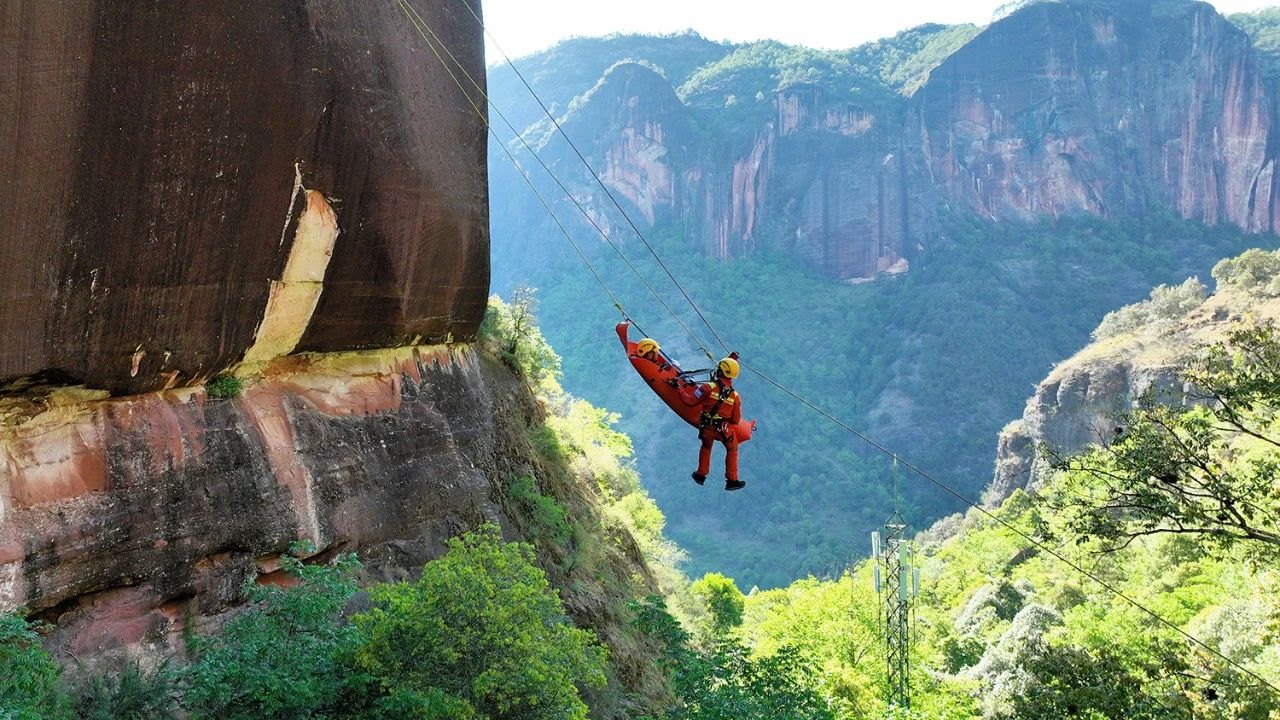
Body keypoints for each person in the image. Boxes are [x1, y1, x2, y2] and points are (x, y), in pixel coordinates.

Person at [681, 355, 746, 491]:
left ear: (720, 371)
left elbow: (690, 401)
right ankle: (732, 480)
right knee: (732, 449)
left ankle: (700, 475)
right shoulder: (735, 397)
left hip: (706, 427)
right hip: (723, 430)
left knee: (706, 447)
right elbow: (735, 420)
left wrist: (679, 389)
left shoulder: (707, 387)